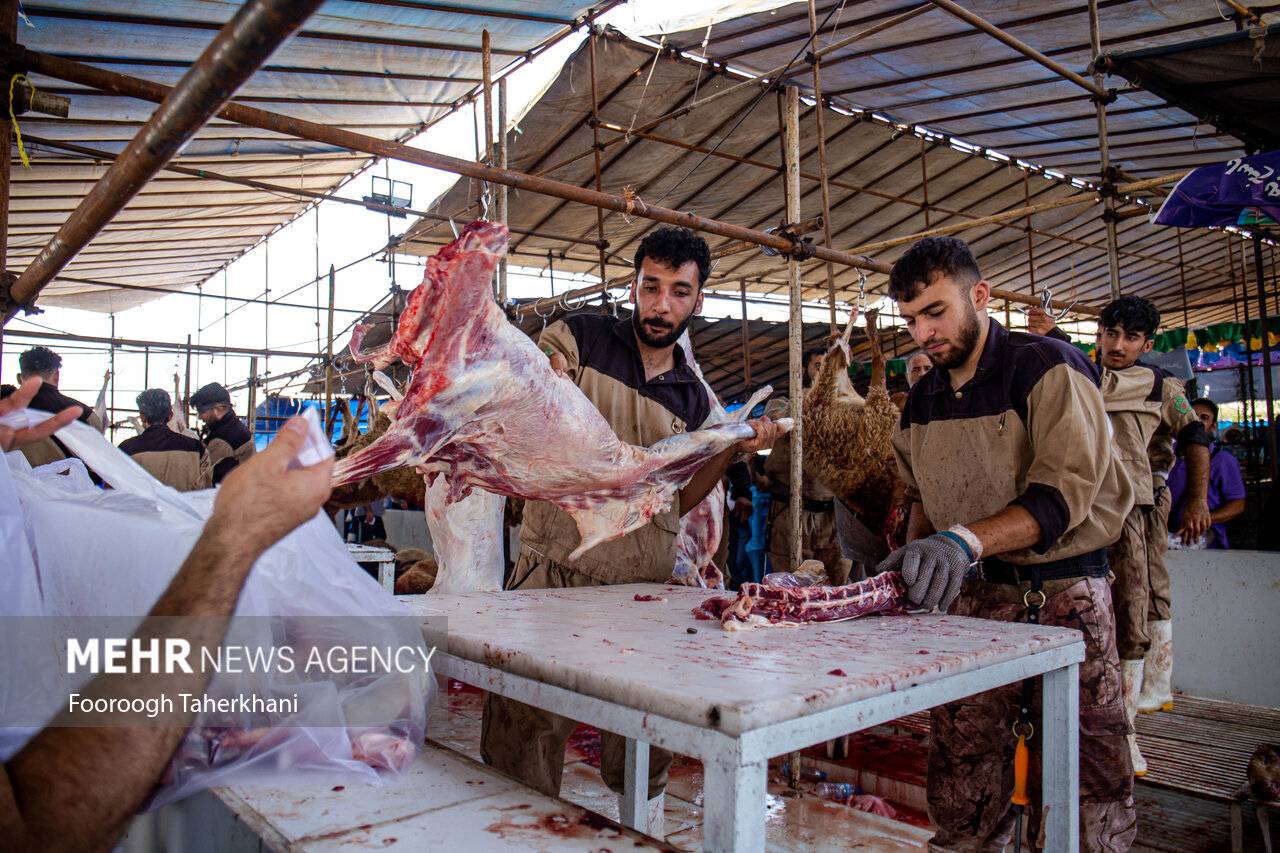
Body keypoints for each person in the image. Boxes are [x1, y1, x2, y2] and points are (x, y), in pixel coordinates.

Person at [481, 226, 783, 828]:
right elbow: (543, 360)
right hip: (554, 572)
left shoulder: (695, 398)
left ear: (698, 299)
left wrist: (731, 445)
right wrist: (548, 367)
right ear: (633, 286)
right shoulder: (586, 337)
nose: (661, 304)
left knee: (642, 744)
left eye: (678, 292)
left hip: (640, 588)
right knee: (524, 734)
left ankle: (638, 832)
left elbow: (680, 495)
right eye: (651, 287)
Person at [878, 236, 1137, 851]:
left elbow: (1058, 498)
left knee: (1087, 785)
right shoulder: (923, 397)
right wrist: (909, 575)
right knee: (964, 780)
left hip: (1063, 599)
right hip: (968, 605)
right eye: (911, 321)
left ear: (980, 296)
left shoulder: (1048, 367)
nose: (924, 334)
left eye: (936, 312)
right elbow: (918, 498)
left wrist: (959, 542)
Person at [0, 377, 332, 852]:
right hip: (189, 541)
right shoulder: (198, 443)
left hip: (152, 553)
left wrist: (230, 538)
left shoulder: (141, 446)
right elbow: (204, 487)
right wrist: (225, 536)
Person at [1030, 297, 1211, 771]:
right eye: (1111, 333)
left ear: (1147, 344)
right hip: (1084, 510)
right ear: (1100, 333)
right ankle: (1093, 719)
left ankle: (1126, 729)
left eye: (1131, 337)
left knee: (1136, 608)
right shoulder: (1080, 372)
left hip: (1132, 509)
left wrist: (1196, 499)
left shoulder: (1151, 381)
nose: (1118, 344)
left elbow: (1195, 436)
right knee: (1089, 610)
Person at [763, 347, 850, 584]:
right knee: (792, 586)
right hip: (791, 512)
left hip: (833, 516)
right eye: (819, 367)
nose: (825, 374)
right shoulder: (783, 403)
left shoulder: (847, 407)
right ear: (803, 370)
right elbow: (777, 415)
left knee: (837, 583)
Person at [1167, 397, 1245, 550]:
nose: (1197, 421)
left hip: (1206, 543)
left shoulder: (1223, 461)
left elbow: (1238, 504)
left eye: (1204, 418)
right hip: (1165, 539)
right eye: (1193, 415)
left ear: (1213, 426)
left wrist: (1202, 520)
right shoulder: (1165, 455)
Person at [11, 346, 102, 468]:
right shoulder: (84, 414)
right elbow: (97, 461)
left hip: (8, 485)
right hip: (69, 485)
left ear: (19, 378)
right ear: (56, 376)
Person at [118, 388, 207, 491]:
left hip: (143, 507)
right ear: (170, 416)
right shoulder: (196, 448)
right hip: (183, 507)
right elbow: (206, 489)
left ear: (142, 417)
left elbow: (115, 490)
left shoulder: (126, 449)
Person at [190, 381, 255, 486]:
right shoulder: (237, 427)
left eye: (202, 412)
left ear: (219, 410)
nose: (200, 417)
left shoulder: (222, 441)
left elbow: (204, 480)